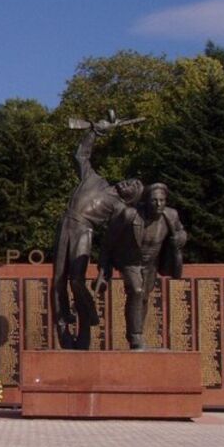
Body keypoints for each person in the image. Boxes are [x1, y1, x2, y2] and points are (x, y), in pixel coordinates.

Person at [52, 123, 143, 349]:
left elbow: (114, 237)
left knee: (76, 280)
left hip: (84, 230)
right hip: (65, 224)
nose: (128, 183)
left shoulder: (120, 207)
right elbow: (80, 154)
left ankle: (86, 321)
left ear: (131, 197)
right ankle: (63, 330)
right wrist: (95, 131)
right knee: (57, 282)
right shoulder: (95, 179)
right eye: (130, 180)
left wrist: (107, 266)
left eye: (133, 186)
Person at [96, 182, 187, 349]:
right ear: (147, 201)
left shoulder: (171, 215)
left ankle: (138, 335)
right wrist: (104, 267)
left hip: (151, 264)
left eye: (162, 200)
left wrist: (181, 239)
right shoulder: (130, 215)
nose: (158, 204)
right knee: (136, 292)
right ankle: (135, 337)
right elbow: (108, 240)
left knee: (144, 297)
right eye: (154, 201)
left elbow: (181, 231)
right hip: (129, 261)